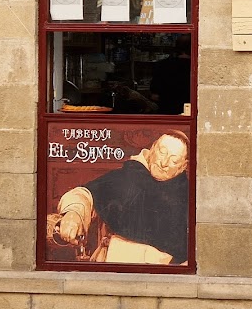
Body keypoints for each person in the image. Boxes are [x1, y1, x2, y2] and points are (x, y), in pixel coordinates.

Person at [53, 130, 189, 265]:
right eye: (162, 152)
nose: (163, 162)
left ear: (183, 166)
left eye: (174, 160)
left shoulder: (187, 193)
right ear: (152, 149)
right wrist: (74, 213)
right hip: (115, 262)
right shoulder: (128, 175)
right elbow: (85, 194)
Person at [151, 34, 191, 115]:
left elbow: (154, 95)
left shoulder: (162, 65)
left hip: (166, 110)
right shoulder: (196, 66)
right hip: (189, 109)